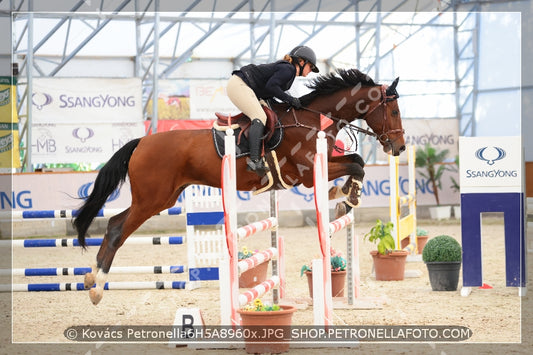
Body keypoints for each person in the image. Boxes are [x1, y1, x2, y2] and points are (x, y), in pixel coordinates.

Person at [227, 45, 319, 177]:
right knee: (259, 116)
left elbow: (271, 90)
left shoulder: (289, 70)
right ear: (302, 61)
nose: (311, 71)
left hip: (249, 88)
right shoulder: (288, 69)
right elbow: (272, 86)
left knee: (271, 114)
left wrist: (288, 101)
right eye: (311, 67)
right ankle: (254, 160)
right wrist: (290, 100)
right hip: (240, 85)